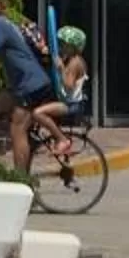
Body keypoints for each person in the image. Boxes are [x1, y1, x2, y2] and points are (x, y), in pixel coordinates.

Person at [0, 11, 59, 174]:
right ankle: (20, 144)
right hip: (21, 86)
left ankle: (20, 180)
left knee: (17, 129)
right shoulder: (3, 23)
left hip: (30, 85)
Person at [31, 26, 91, 165]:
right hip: (68, 101)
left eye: (64, 45)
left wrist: (61, 68)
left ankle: (61, 139)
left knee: (38, 113)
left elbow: (68, 85)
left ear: (73, 47)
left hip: (70, 105)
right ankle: (54, 138)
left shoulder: (75, 63)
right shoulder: (72, 59)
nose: (61, 47)